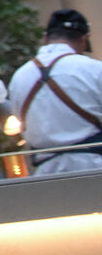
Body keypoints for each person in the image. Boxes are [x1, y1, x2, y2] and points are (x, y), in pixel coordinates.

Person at [9, 9, 102, 175]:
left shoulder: (19, 77)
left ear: (45, 38)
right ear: (84, 39)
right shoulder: (94, 69)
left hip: (47, 176)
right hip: (95, 168)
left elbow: (19, 127)